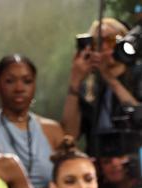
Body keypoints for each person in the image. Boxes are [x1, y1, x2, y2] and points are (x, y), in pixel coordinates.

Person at [61, 17, 142, 157]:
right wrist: (75, 80)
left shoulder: (138, 75)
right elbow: (69, 135)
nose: (104, 47)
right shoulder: (90, 87)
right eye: (98, 42)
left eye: (111, 40)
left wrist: (109, 78)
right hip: (99, 163)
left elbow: (139, 116)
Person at [0, 54, 64, 188]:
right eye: (10, 81)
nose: (19, 88)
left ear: (35, 85)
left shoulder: (52, 130)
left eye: (27, 81)